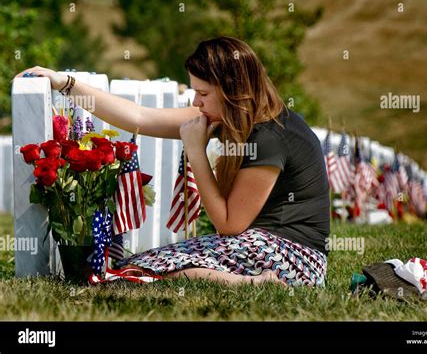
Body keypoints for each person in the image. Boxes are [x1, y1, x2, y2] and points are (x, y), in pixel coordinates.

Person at [16, 36, 330, 286]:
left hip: (290, 258)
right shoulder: (236, 119)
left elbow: (230, 224)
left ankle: (256, 284)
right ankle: (248, 280)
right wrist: (66, 83)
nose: (196, 103)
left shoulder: (269, 136)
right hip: (259, 248)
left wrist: (196, 153)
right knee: (133, 269)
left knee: (137, 275)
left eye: (203, 94)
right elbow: (140, 117)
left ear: (232, 91)